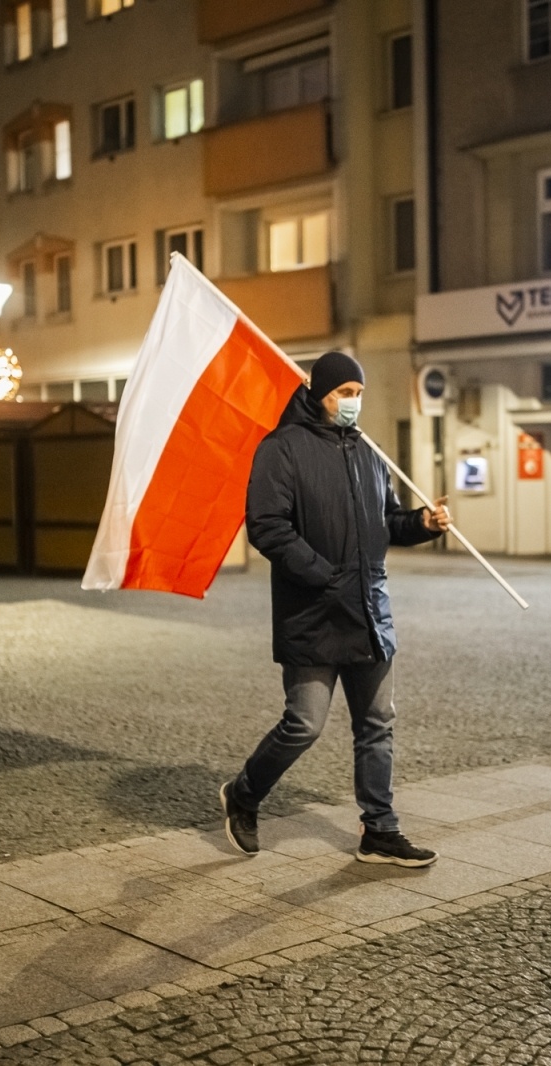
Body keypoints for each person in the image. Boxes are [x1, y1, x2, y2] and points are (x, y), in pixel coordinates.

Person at [219, 351, 450, 867]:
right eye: (344, 393)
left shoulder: (368, 452)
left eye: (359, 394)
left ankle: (380, 830)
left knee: (377, 724)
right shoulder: (282, 449)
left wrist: (423, 525)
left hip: (369, 612)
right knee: (304, 723)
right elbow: (267, 526)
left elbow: (388, 523)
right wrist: (324, 575)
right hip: (314, 613)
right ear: (318, 392)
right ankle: (244, 794)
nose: (353, 403)